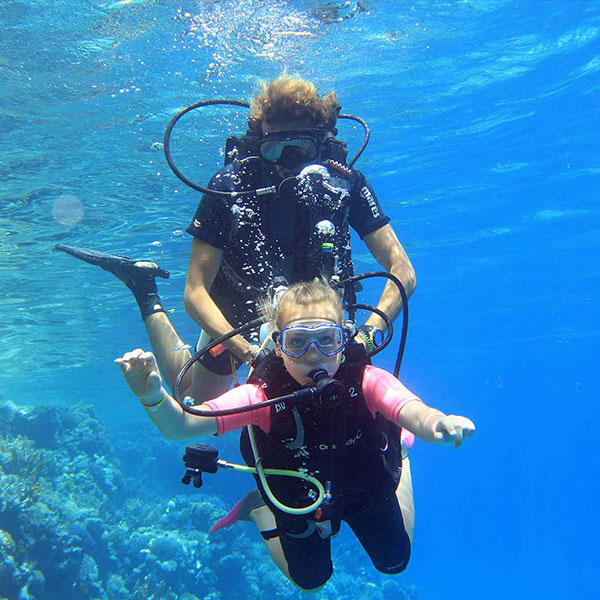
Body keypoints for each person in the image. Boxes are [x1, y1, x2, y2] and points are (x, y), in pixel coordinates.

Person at [57, 73, 416, 404]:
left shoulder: (345, 183)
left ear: (320, 143)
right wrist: (250, 352)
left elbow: (403, 270)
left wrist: (367, 335)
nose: (286, 163)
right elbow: (195, 292)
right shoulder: (230, 186)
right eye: (275, 149)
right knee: (193, 399)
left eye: (300, 149)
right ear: (259, 140)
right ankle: (145, 289)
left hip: (314, 323)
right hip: (234, 314)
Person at [115, 281, 475, 590]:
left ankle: (403, 454)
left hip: (365, 485)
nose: (313, 355)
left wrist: (436, 424)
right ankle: (258, 508)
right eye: (298, 342)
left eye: (327, 341)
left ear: (344, 340)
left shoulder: (366, 381)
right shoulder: (262, 396)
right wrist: (152, 396)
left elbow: (413, 410)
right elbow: (182, 426)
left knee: (395, 561)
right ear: (277, 345)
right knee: (311, 581)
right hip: (296, 495)